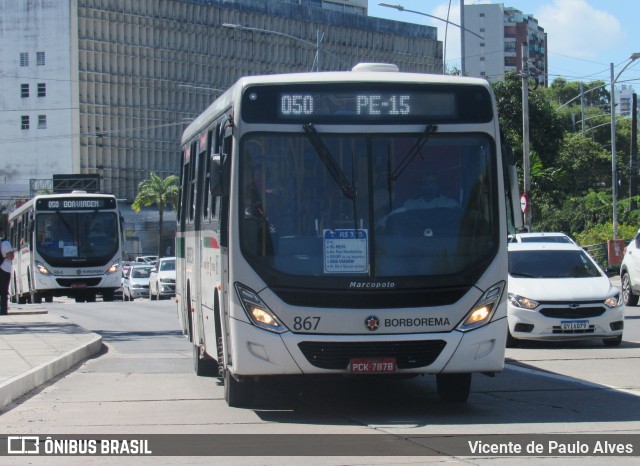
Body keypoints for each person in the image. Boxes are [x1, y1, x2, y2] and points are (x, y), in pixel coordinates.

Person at [0, 226, 15, 316]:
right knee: (3, 291)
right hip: (4, 269)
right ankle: (3, 311)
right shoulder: (5, 243)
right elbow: (10, 256)